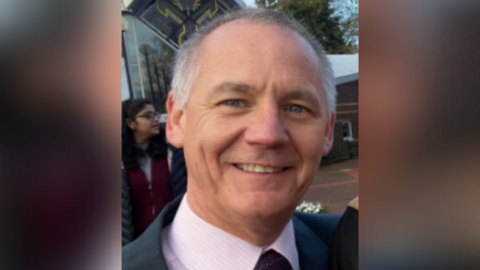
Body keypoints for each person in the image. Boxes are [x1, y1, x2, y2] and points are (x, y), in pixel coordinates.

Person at [123, 8, 345, 270]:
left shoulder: (357, 248)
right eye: (233, 102)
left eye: (296, 107)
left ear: (328, 131)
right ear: (177, 120)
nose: (268, 134)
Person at [122, 99, 187, 246]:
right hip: (134, 241)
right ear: (130, 123)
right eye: (148, 115)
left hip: (173, 236)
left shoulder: (173, 151)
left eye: (156, 114)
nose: (156, 118)